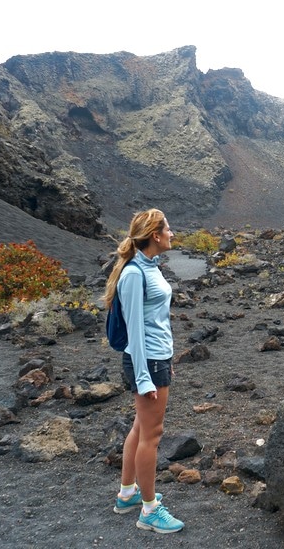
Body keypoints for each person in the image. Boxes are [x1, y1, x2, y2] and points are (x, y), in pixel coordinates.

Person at [103, 208, 184, 534]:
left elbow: (157, 323)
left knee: (140, 427)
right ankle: (149, 511)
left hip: (156, 360)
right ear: (155, 234)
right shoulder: (135, 274)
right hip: (146, 362)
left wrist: (167, 362)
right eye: (168, 229)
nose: (172, 233)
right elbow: (136, 333)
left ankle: (127, 494)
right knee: (152, 434)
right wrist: (145, 376)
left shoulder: (149, 267)